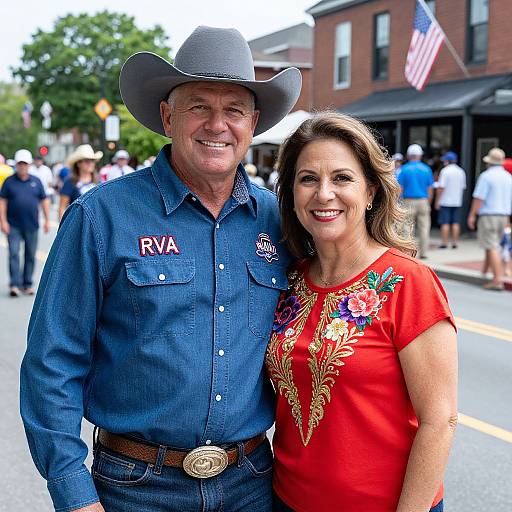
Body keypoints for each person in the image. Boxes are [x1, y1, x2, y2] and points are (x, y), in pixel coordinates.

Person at [20, 25, 301, 512]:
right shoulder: (100, 216)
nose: (218, 125)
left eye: (233, 109)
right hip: (134, 488)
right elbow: (53, 360)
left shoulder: (279, 219)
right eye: (199, 107)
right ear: (168, 116)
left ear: (253, 123)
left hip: (251, 483)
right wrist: (71, 488)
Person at [266, 113, 458, 512]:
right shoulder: (289, 280)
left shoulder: (407, 283)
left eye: (341, 178)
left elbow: (439, 422)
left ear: (370, 191)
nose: (323, 194)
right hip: (285, 500)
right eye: (308, 179)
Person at [0, 149, 50, 296]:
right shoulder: (9, 182)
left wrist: (47, 220)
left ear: (29, 165)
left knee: (30, 255)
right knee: (14, 253)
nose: (22, 167)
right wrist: (3, 221)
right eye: (20, 164)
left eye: (25, 164)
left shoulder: (36, 181)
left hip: (32, 225)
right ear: (16, 165)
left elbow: (44, 201)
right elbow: (2, 202)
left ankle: (27, 284)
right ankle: (14, 284)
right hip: (13, 224)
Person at [467, 147, 512, 291]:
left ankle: (497, 280)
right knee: (494, 244)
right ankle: (485, 271)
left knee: (492, 245)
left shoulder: (486, 176)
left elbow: (479, 198)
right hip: (504, 215)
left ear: (490, 162)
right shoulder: (508, 177)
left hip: (489, 214)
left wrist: (472, 215)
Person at [397, 143, 434, 259]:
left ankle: (408, 254)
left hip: (408, 201)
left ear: (408, 155)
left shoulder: (405, 169)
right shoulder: (426, 169)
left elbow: (400, 188)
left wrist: (398, 202)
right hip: (423, 200)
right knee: (424, 227)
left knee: (407, 228)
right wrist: (429, 201)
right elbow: (430, 188)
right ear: (420, 156)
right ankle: (424, 253)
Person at [58, 144, 102, 221]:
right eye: (87, 161)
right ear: (78, 164)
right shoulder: (70, 182)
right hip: (77, 224)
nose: (91, 164)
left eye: (92, 161)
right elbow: (62, 207)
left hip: (96, 224)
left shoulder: (98, 181)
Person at [434, 151, 467, 249]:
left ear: (447, 161)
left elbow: (441, 187)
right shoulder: (461, 171)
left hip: (445, 201)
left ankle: (444, 243)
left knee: (445, 223)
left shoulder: (445, 171)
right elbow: (463, 187)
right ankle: (455, 242)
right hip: (457, 201)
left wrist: (437, 201)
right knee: (455, 222)